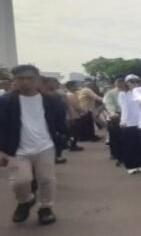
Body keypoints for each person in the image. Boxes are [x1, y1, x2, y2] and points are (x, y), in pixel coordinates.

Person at [0, 65, 67, 225]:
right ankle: (25, 201)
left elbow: (59, 123)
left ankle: (45, 208)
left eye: (30, 78)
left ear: (37, 80)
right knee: (20, 181)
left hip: (45, 146)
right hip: (17, 148)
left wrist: (63, 139)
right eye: (21, 78)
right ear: (14, 80)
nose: (25, 82)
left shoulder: (52, 101)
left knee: (46, 179)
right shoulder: (5, 102)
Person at [119, 75, 141, 174]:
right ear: (127, 83)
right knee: (130, 145)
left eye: (136, 81)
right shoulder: (124, 94)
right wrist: (123, 121)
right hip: (129, 123)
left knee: (140, 145)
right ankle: (131, 165)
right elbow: (124, 108)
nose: (134, 84)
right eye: (132, 82)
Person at [103, 78, 124, 164]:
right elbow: (108, 104)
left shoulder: (130, 92)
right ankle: (116, 154)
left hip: (126, 117)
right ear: (115, 83)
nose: (121, 84)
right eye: (119, 82)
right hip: (115, 116)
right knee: (115, 138)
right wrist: (112, 113)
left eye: (122, 82)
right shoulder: (111, 93)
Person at [64, 81, 85, 151]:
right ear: (70, 87)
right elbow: (76, 106)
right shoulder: (71, 95)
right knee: (74, 131)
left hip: (71, 115)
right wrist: (83, 111)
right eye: (75, 85)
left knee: (73, 132)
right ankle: (73, 146)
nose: (77, 87)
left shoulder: (70, 94)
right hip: (74, 115)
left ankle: (73, 145)